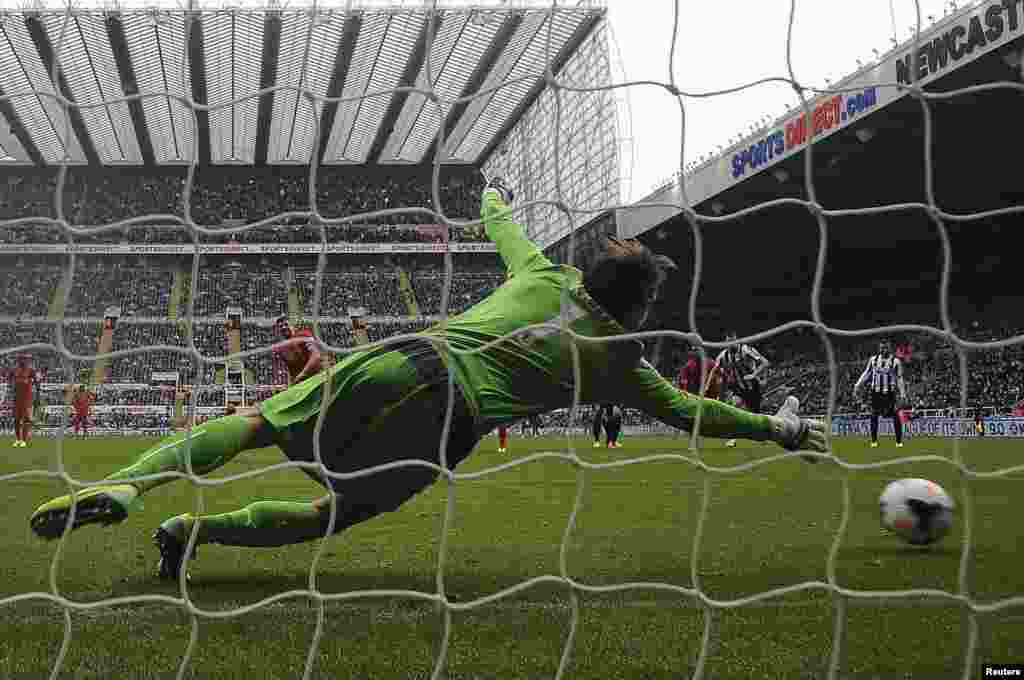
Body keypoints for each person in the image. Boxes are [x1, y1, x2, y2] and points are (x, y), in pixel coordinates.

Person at [29, 179, 826, 579]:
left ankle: (136, 491)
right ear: (640, 303)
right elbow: (694, 414)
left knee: (258, 426)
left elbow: (495, 214)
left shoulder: (542, 272)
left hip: (405, 357)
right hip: (448, 423)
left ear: (586, 270)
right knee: (328, 512)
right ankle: (190, 536)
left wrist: (496, 192)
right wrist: (778, 427)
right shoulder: (624, 364)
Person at [714, 334, 770, 448]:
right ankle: (732, 438)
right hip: (737, 387)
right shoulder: (723, 355)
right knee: (735, 406)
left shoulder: (746, 350)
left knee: (755, 414)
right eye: (727, 342)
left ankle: (762, 435)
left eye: (732, 342)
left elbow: (765, 363)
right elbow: (715, 369)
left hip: (753, 387)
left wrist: (755, 375)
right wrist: (718, 380)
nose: (729, 345)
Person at [854, 340, 906, 448]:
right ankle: (873, 441)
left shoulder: (895, 361)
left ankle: (899, 441)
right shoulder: (873, 360)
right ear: (879, 348)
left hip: (889, 394)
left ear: (889, 348)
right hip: (875, 393)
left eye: (885, 348)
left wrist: (902, 394)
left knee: (895, 416)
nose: (883, 350)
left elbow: (900, 378)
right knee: (873, 416)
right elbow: (866, 373)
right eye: (882, 348)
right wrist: (858, 384)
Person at [7, 354, 38, 448]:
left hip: (27, 399)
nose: (23, 361)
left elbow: (37, 382)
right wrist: (10, 387)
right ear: (18, 360)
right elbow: (9, 379)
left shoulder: (31, 370)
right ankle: (17, 440)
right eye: (21, 359)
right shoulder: (14, 370)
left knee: (26, 419)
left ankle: (24, 440)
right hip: (16, 398)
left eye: (25, 359)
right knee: (16, 419)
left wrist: (37, 396)